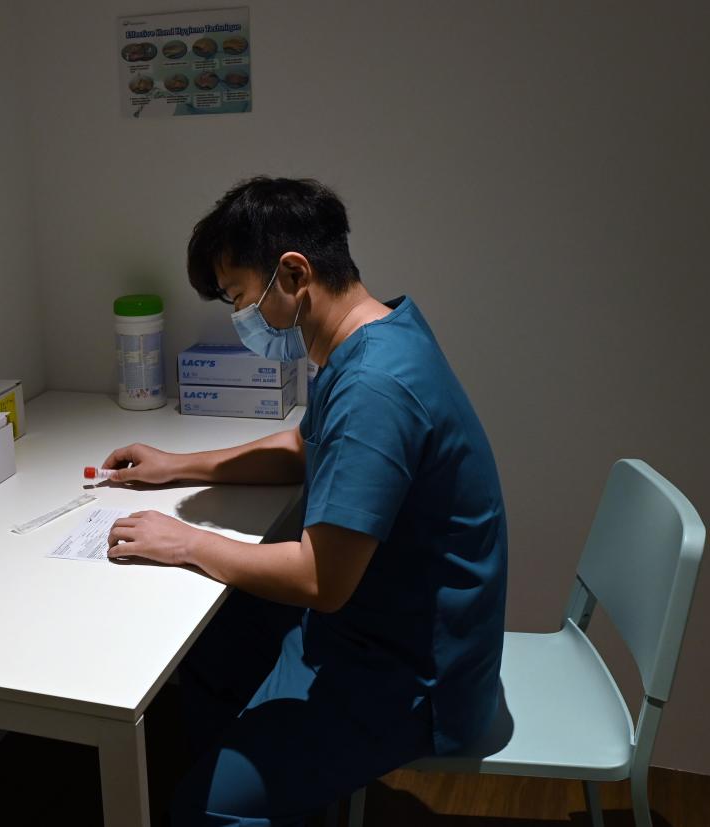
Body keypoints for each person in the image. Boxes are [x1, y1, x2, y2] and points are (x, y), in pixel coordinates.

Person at [103, 177, 508, 826]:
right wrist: (176, 466)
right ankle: (270, 784)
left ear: (294, 274)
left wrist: (186, 540)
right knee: (209, 651)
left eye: (240, 297)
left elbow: (322, 578)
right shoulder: (376, 336)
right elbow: (304, 445)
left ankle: (234, 797)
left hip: (413, 670)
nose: (242, 319)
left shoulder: (376, 383)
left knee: (196, 808)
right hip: (381, 623)